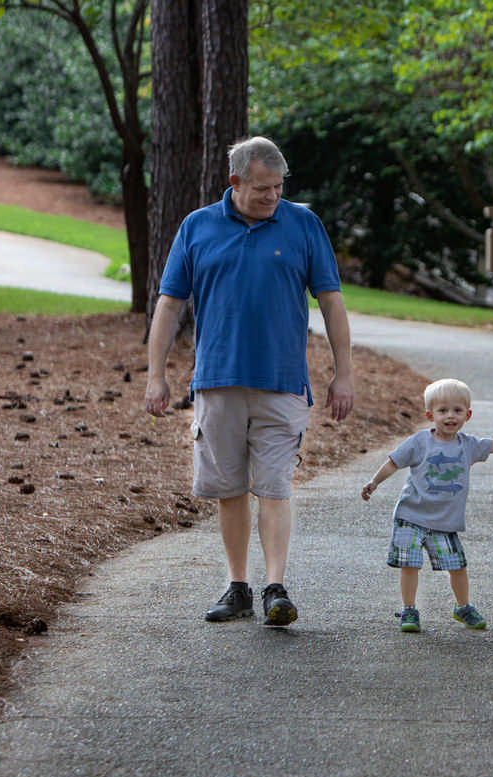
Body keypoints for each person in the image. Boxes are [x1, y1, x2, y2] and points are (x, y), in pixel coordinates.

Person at [145, 136, 353, 627]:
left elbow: (332, 301)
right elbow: (170, 304)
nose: (272, 197)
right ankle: (237, 585)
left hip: (282, 382)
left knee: (275, 485)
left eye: (279, 188)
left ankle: (275, 587)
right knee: (229, 487)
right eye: (262, 188)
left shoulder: (303, 224)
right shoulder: (197, 227)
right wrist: (156, 375)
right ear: (234, 182)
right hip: (217, 380)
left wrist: (344, 373)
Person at [361, 378, 493, 633]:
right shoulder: (420, 442)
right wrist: (374, 482)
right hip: (411, 514)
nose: (450, 416)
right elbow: (394, 461)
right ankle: (409, 609)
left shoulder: (467, 446)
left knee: (457, 566)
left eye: (457, 410)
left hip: (444, 521)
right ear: (430, 414)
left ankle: (463, 606)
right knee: (410, 563)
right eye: (442, 411)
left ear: (467, 414)